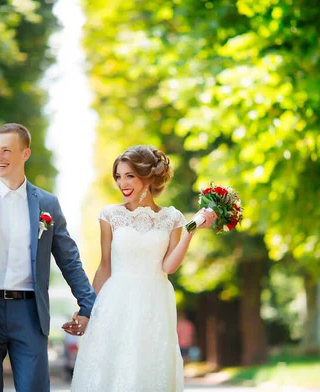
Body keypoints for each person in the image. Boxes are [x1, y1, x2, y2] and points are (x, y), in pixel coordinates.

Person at [0, 123, 95, 391]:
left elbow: (69, 259)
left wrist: (88, 305)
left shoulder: (47, 204)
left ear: (25, 154)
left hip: (29, 312)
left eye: (5, 150)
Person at [66, 145, 218, 391]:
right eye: (118, 176)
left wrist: (191, 229)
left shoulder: (172, 217)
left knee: (148, 373)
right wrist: (85, 312)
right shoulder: (110, 215)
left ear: (147, 178)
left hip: (155, 304)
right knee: (114, 374)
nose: (121, 183)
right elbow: (104, 267)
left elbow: (168, 266)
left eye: (129, 176)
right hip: (115, 303)